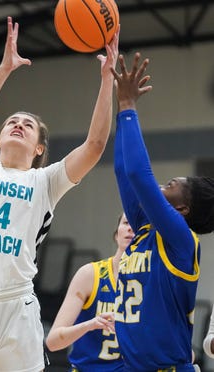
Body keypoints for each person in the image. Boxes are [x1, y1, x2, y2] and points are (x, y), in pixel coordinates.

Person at [0, 17, 120, 372]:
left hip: (15, 306)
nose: (18, 124)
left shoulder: (45, 182)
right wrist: (3, 70)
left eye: (28, 125)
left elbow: (94, 146)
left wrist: (107, 80)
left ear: (38, 149)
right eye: (11, 122)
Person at [111, 53, 214, 371]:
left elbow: (140, 177)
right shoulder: (144, 226)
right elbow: (123, 170)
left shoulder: (182, 240)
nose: (160, 187)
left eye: (170, 184)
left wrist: (129, 109)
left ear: (182, 209)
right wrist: (120, 107)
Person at [46, 213, 134, 371]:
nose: (131, 228)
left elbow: (182, 351)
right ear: (116, 234)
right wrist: (90, 325)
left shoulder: (154, 283)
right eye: (126, 222)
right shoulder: (90, 274)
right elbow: (53, 342)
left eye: (138, 224)